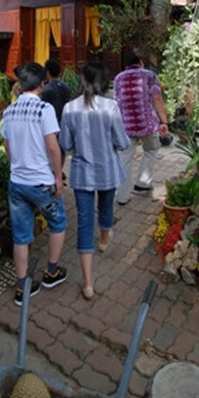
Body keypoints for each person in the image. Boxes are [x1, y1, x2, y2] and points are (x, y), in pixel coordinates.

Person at [59, 62, 129, 300]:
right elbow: (122, 142)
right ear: (104, 82)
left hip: (82, 174)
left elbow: (65, 144)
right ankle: (105, 237)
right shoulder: (111, 107)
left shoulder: (69, 108)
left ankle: (87, 281)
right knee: (106, 207)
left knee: (84, 222)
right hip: (107, 171)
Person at [1, 62, 68, 306]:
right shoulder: (44, 109)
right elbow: (52, 146)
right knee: (58, 223)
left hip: (17, 182)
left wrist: (16, 165)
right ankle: (51, 272)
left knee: (21, 235)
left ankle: (22, 288)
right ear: (42, 83)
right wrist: (58, 176)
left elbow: (7, 145)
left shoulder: (9, 111)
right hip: (41, 183)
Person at [113, 50, 171, 205]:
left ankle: (122, 196)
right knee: (151, 150)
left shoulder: (118, 78)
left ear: (126, 65)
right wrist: (164, 122)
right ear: (140, 62)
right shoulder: (149, 75)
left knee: (125, 159)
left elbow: (116, 103)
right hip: (148, 124)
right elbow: (157, 98)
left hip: (126, 126)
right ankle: (143, 182)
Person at [40, 59, 72, 176]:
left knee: (48, 149)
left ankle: (50, 173)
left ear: (47, 72)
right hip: (63, 122)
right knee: (61, 150)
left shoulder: (46, 89)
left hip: (50, 124)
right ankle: (58, 171)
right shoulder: (66, 87)